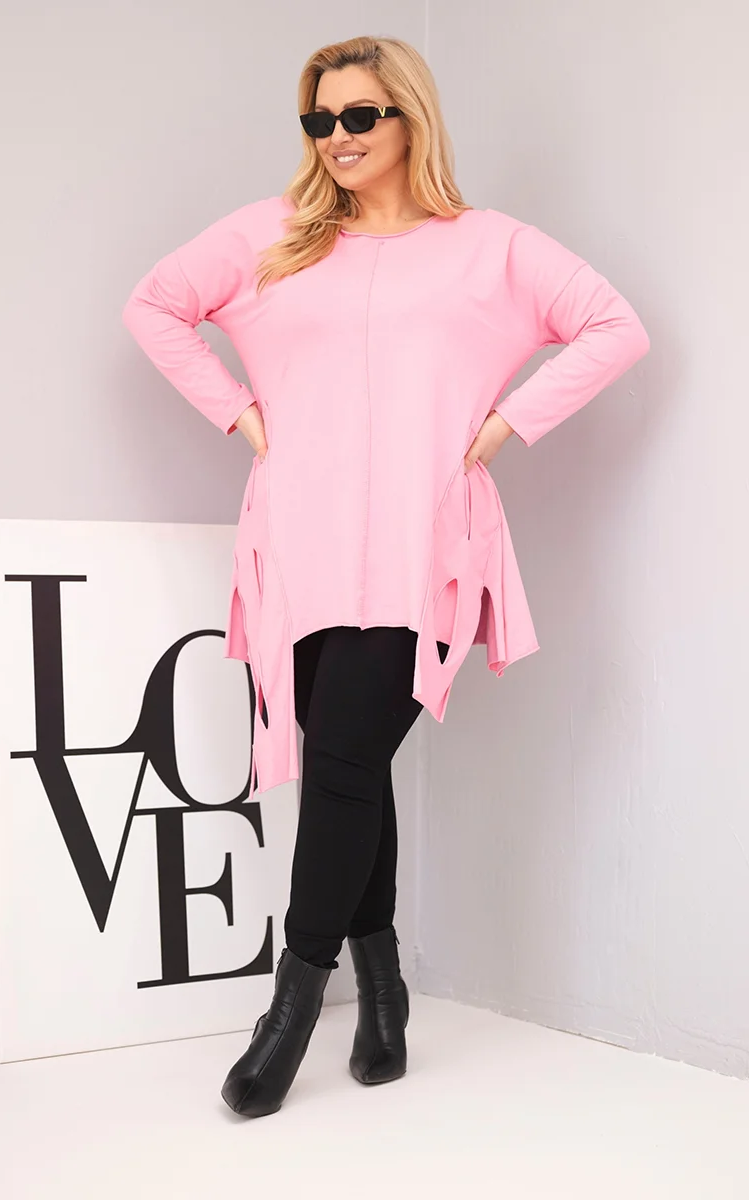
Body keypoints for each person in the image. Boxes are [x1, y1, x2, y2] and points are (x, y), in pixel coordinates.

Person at [122, 35, 650, 1119]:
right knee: (346, 765)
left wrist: (501, 426)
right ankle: (383, 987)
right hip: (302, 540)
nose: (338, 137)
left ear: (411, 118)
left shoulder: (489, 248)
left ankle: (289, 1008)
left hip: (421, 544)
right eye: (320, 119)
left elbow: (613, 327)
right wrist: (242, 413)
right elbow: (154, 306)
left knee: (345, 755)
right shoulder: (273, 235)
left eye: (360, 115)